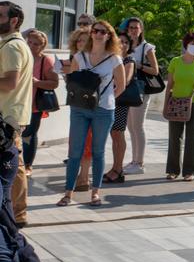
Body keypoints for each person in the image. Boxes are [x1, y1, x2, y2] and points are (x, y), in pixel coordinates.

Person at [57, 21, 125, 207]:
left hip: (103, 111)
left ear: (109, 36)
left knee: (98, 151)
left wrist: (106, 99)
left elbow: (121, 85)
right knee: (74, 152)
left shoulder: (114, 59)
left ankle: (95, 193)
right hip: (80, 109)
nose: (98, 34)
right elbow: (73, 83)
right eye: (95, 30)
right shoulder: (80, 56)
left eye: (103, 32)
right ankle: (67, 193)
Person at [0, 1, 33, 228]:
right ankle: (17, 213)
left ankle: (18, 215)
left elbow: (11, 83)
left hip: (7, 116)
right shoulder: (13, 44)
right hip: (11, 114)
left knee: (14, 166)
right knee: (15, 164)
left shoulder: (12, 46)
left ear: (14, 20)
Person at [164, 32, 194, 181]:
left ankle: (190, 171)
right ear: (185, 44)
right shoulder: (175, 62)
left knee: (193, 138)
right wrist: (165, 105)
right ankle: (172, 170)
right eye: (192, 43)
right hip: (176, 102)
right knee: (174, 137)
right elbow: (170, 85)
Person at [124, 17, 159, 175]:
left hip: (140, 90)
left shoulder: (147, 47)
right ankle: (134, 160)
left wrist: (137, 65)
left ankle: (140, 163)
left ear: (141, 29)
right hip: (128, 89)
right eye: (131, 27)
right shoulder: (126, 45)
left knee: (138, 126)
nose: (133, 30)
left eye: (136, 27)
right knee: (131, 127)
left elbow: (155, 70)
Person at [22, 30, 59, 177]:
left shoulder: (45, 60)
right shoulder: (20, 56)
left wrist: (37, 82)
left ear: (42, 46)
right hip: (16, 103)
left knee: (29, 135)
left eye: (35, 44)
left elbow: (54, 83)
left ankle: (28, 165)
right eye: (29, 42)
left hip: (34, 105)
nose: (31, 46)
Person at [60, 29, 93, 190]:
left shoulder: (97, 59)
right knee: (76, 140)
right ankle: (78, 176)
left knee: (89, 141)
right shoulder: (75, 58)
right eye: (79, 40)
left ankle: (84, 177)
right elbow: (72, 83)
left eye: (85, 40)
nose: (81, 43)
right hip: (77, 103)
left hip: (93, 105)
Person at [102, 32, 135, 184]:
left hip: (120, 102)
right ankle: (115, 168)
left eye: (126, 42)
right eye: (119, 41)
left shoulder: (128, 60)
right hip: (109, 100)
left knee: (118, 134)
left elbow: (125, 81)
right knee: (113, 135)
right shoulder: (110, 58)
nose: (122, 44)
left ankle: (118, 169)